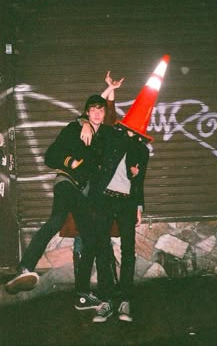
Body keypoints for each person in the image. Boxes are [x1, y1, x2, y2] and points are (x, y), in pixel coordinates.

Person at [5, 75, 123, 296]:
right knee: (62, 222)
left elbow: (110, 114)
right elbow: (50, 156)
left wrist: (109, 89)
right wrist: (73, 162)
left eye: (101, 110)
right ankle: (28, 268)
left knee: (87, 236)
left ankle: (80, 292)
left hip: (82, 192)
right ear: (86, 113)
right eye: (92, 111)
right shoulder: (74, 128)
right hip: (67, 182)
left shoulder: (102, 135)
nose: (97, 114)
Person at [75, 95, 150, 323]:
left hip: (127, 202)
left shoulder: (142, 150)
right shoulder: (110, 135)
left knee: (128, 251)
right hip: (104, 199)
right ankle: (107, 300)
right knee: (101, 248)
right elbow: (93, 116)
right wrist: (86, 122)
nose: (135, 131)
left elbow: (139, 182)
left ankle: (125, 299)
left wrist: (139, 206)